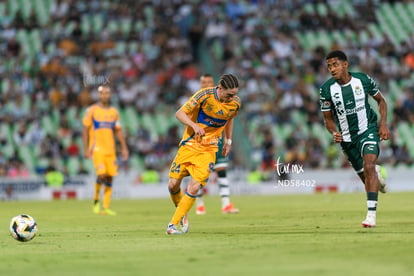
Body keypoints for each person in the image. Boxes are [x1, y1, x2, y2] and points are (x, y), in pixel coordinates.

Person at [319, 50, 390, 228]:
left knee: (369, 166)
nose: (332, 69)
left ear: (345, 64)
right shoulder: (326, 89)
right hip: (347, 139)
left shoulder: (362, 80)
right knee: (367, 177)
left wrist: (383, 125)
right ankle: (377, 179)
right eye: (329, 66)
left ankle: (371, 216)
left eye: (335, 65)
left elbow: (381, 101)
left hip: (368, 130)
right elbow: (327, 119)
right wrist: (333, 132)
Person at [166, 74, 241, 235]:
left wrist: (228, 141)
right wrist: (193, 125)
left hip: (209, 149)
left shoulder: (235, 103)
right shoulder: (203, 95)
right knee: (172, 185)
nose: (232, 98)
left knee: (194, 187)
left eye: (235, 94)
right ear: (220, 88)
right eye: (229, 94)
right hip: (189, 145)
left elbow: (229, 118)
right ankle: (182, 213)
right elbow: (179, 113)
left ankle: (172, 225)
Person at [195, 74, 240, 215]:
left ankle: (226, 204)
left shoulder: (225, 99)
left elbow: (229, 117)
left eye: (209, 82)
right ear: (200, 84)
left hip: (217, 141)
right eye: (204, 82)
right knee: (200, 174)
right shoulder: (199, 98)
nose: (206, 84)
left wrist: (228, 140)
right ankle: (199, 204)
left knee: (222, 170)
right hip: (200, 141)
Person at [82, 85, 129, 216]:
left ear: (110, 95)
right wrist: (86, 149)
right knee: (101, 175)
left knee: (110, 178)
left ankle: (106, 206)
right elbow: (85, 130)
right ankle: (96, 200)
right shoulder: (92, 110)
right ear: (99, 95)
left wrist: (124, 148)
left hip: (111, 151)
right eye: (102, 93)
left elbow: (118, 132)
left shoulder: (114, 112)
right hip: (97, 149)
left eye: (107, 93)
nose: (105, 95)